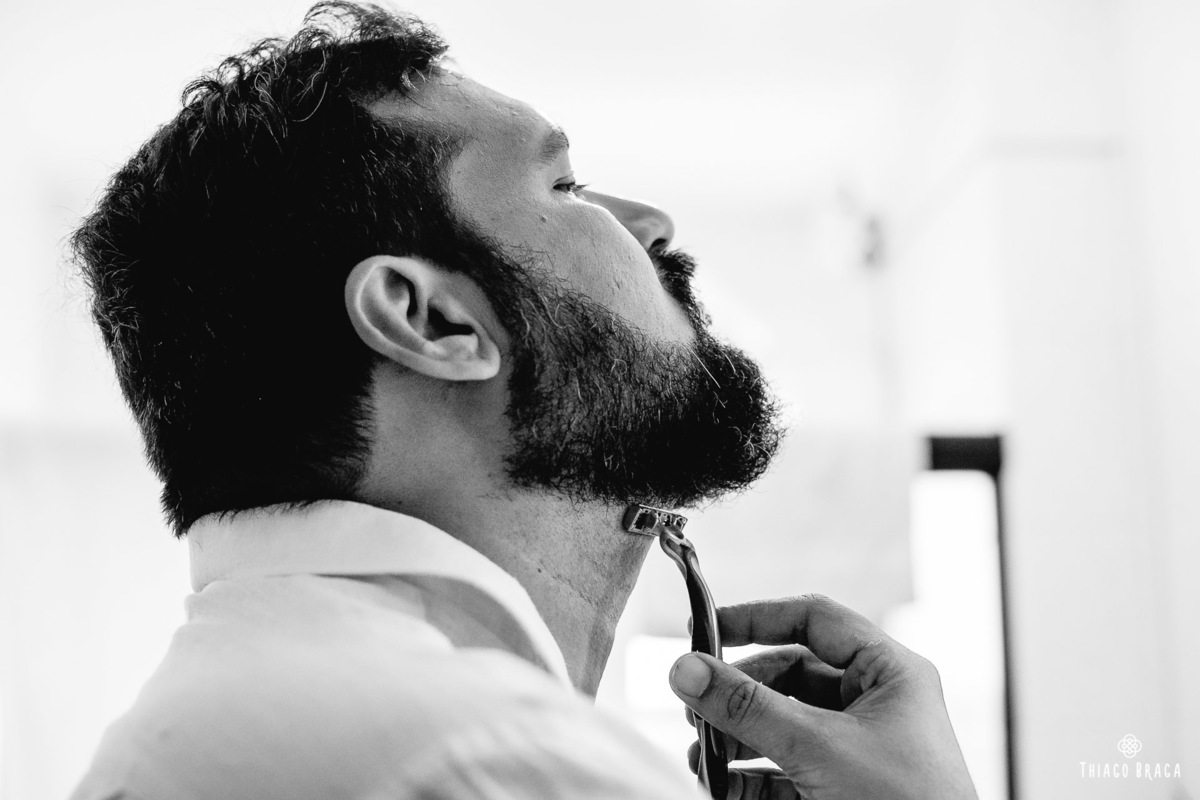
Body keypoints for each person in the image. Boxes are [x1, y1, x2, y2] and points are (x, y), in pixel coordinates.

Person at [67, 3, 978, 798]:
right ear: (431, 319)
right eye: (565, 185)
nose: (652, 224)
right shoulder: (493, 757)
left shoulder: (228, 712)